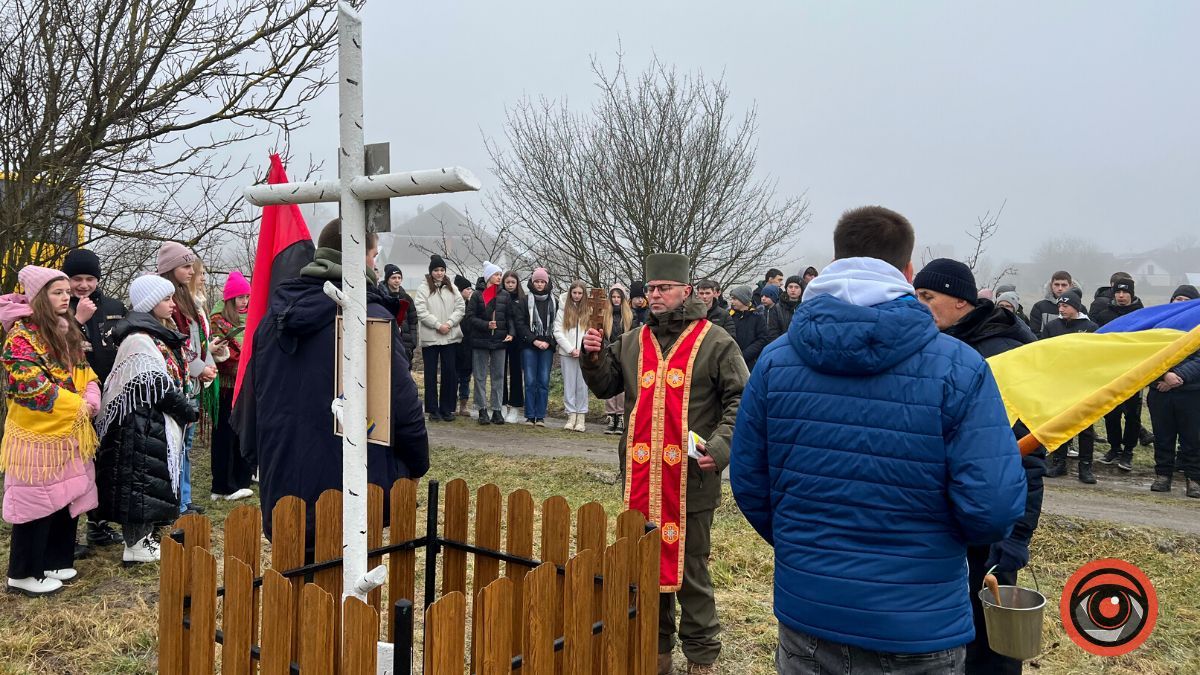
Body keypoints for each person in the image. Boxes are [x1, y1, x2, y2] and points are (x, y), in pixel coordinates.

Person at [731, 208, 1024, 675]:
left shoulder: (775, 362)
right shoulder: (960, 368)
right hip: (918, 619)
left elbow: (750, 482)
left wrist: (808, 548)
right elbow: (992, 506)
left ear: (835, 259)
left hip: (810, 612)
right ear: (908, 273)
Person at [582, 253, 747, 675]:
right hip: (640, 479)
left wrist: (722, 446)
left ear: (686, 291)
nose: (654, 295)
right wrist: (594, 357)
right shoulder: (635, 339)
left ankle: (701, 660)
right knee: (645, 573)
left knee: (691, 574)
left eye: (663, 288)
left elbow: (741, 401)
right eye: (650, 288)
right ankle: (656, 658)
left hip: (691, 478)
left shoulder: (716, 341)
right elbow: (606, 387)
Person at [240, 219, 430, 544]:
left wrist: (263, 460)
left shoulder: (271, 321)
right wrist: (416, 465)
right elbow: (403, 407)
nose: (376, 262)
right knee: (344, 589)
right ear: (361, 256)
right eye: (374, 254)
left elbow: (249, 409)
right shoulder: (368, 319)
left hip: (284, 487)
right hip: (350, 490)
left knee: (295, 587)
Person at [913, 257, 1044, 675]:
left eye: (927, 296)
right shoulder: (935, 347)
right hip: (944, 526)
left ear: (960, 301)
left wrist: (1015, 538)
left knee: (991, 646)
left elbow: (1027, 456)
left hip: (990, 529)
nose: (919, 305)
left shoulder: (1000, 353)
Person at [0, 266, 101, 596]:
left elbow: (85, 373)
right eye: (57, 292)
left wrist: (91, 397)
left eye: (65, 291)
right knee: (35, 504)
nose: (66, 296)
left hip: (69, 432)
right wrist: (79, 406)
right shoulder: (19, 338)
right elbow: (31, 387)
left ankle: (56, 560)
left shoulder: (66, 330)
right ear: (39, 297)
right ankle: (24, 571)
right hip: (37, 436)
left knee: (67, 497)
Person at [94, 275, 198, 565]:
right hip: (138, 427)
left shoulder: (153, 334)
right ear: (151, 303)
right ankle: (136, 544)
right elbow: (156, 385)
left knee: (149, 483)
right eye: (166, 299)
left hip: (149, 424)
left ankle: (145, 538)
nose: (172, 303)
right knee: (139, 484)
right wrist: (186, 409)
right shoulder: (138, 339)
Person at [61, 248, 127, 552]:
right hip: (76, 399)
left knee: (105, 463)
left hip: (111, 396)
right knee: (76, 466)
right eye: (77, 278)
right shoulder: (60, 307)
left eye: (90, 278)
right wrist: (78, 319)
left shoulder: (114, 306)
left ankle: (98, 526)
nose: (84, 285)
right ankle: (67, 535)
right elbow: (58, 348)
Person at [157, 242, 216, 516]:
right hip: (178, 381)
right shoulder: (167, 301)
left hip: (189, 381)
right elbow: (178, 342)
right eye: (186, 266)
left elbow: (197, 338)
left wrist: (207, 364)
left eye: (192, 266)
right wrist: (198, 367)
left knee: (186, 444)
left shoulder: (185, 298)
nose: (192, 271)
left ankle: (185, 498)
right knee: (176, 444)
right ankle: (177, 502)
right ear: (171, 269)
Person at [1040, 291, 1100, 484]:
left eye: (1065, 306)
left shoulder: (1090, 327)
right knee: (1060, 423)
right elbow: (1044, 352)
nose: (1061, 309)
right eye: (1059, 306)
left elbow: (1095, 356)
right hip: (1059, 383)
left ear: (1076, 307)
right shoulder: (1051, 327)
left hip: (1082, 384)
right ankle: (1059, 461)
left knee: (1085, 426)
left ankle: (1086, 466)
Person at [1148, 285, 1200, 498]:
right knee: (1163, 436)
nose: (1180, 302)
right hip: (1160, 391)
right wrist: (1164, 375)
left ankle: (1194, 479)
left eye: (1185, 299)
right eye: (1176, 298)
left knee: (1193, 438)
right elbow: (1148, 355)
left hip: (1192, 393)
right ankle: (1163, 475)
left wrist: (1178, 376)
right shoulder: (1159, 327)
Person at [208, 271, 254, 501]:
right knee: (225, 435)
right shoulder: (219, 321)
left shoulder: (251, 318)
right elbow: (226, 354)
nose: (244, 301)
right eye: (240, 297)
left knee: (241, 433)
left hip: (245, 385)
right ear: (229, 299)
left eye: (247, 296)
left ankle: (241, 479)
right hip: (226, 386)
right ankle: (223, 485)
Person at [1093, 277, 1146, 471]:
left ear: (1131, 293)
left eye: (1125, 292)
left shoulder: (1142, 314)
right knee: (1111, 413)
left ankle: (1128, 451)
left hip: (1134, 372)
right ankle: (1114, 447)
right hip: (1110, 372)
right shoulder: (1104, 315)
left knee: (1132, 415)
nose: (1121, 296)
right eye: (1118, 292)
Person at [413, 256, 465, 422]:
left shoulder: (452, 287)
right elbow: (421, 311)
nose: (439, 273)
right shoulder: (423, 288)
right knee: (430, 374)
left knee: (449, 373)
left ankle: (447, 408)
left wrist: (449, 324)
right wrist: (437, 325)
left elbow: (460, 307)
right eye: (436, 270)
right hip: (432, 337)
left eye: (442, 270)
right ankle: (432, 409)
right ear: (431, 272)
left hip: (449, 337)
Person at [467, 262, 515, 425]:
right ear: (488, 276)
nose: (499, 278)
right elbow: (470, 317)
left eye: (500, 275)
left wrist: (511, 333)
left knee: (499, 376)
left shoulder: (504, 295)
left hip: (499, 340)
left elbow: (510, 317)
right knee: (480, 376)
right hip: (480, 341)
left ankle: (496, 410)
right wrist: (486, 324)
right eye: (496, 275)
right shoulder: (477, 295)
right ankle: (481, 409)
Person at [515, 268, 557, 426]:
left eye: (542, 282)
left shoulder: (554, 302)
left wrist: (548, 341)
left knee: (543, 381)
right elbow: (521, 324)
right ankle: (529, 415)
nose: (539, 284)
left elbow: (557, 325)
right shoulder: (525, 301)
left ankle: (540, 416)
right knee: (530, 380)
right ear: (532, 283)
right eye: (537, 281)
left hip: (547, 346)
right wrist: (534, 340)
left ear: (547, 283)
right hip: (529, 345)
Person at [554, 281, 590, 432]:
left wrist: (583, 349)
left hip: (583, 354)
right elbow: (558, 331)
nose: (576, 296)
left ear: (583, 294)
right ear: (570, 294)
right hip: (567, 353)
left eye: (579, 293)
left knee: (582, 385)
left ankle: (581, 416)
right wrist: (570, 349)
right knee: (569, 385)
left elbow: (590, 330)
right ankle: (571, 415)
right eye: (574, 293)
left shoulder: (589, 309)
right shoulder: (563, 308)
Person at [599, 283, 634, 435]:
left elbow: (631, 334)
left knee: (622, 386)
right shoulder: (605, 314)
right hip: (608, 352)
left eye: (618, 297)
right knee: (609, 384)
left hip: (624, 352)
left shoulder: (630, 315)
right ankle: (611, 416)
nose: (616, 299)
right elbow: (603, 334)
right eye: (613, 297)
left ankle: (620, 416)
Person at [378, 264, 419, 367]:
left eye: (399, 277)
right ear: (387, 279)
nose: (397, 280)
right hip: (387, 342)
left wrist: (412, 341)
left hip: (405, 344)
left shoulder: (406, 298)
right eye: (393, 278)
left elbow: (413, 321)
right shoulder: (381, 297)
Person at [500, 271, 525, 423]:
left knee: (516, 373)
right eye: (507, 282)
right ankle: (501, 404)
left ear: (517, 284)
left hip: (517, 341)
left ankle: (515, 406)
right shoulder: (500, 297)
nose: (510, 285)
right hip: (502, 339)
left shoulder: (522, 299)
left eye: (512, 282)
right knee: (500, 372)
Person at [727, 286, 770, 371]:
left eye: (735, 299)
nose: (732, 302)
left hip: (750, 362)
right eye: (732, 299)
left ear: (743, 300)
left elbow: (762, 339)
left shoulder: (757, 316)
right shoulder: (729, 315)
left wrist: (744, 355)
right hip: (730, 361)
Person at [453, 274, 475, 416]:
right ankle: (452, 404)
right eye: (467, 289)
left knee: (466, 377)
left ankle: (463, 405)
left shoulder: (471, 306)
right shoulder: (453, 306)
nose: (469, 291)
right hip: (455, 345)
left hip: (469, 346)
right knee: (453, 376)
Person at [1029, 270, 1075, 337]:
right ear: (1051, 286)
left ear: (1070, 286)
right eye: (1056, 284)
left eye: (1064, 285)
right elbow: (1034, 333)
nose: (1060, 288)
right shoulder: (1039, 307)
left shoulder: (1079, 308)